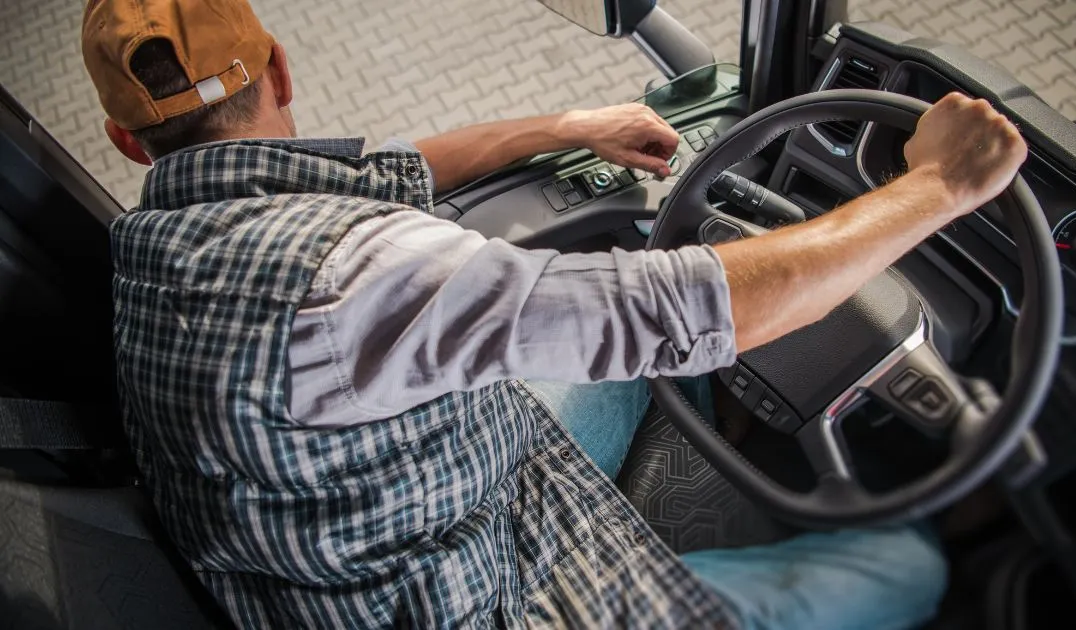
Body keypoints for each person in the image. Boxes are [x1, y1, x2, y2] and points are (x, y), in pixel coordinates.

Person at [81, 0, 1026, 628]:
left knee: (624, 340)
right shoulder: (360, 278)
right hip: (477, 601)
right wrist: (940, 184)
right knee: (907, 569)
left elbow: (391, 174)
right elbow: (701, 303)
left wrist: (571, 128)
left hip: (371, 532)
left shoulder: (155, 234)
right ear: (281, 71)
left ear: (127, 140)